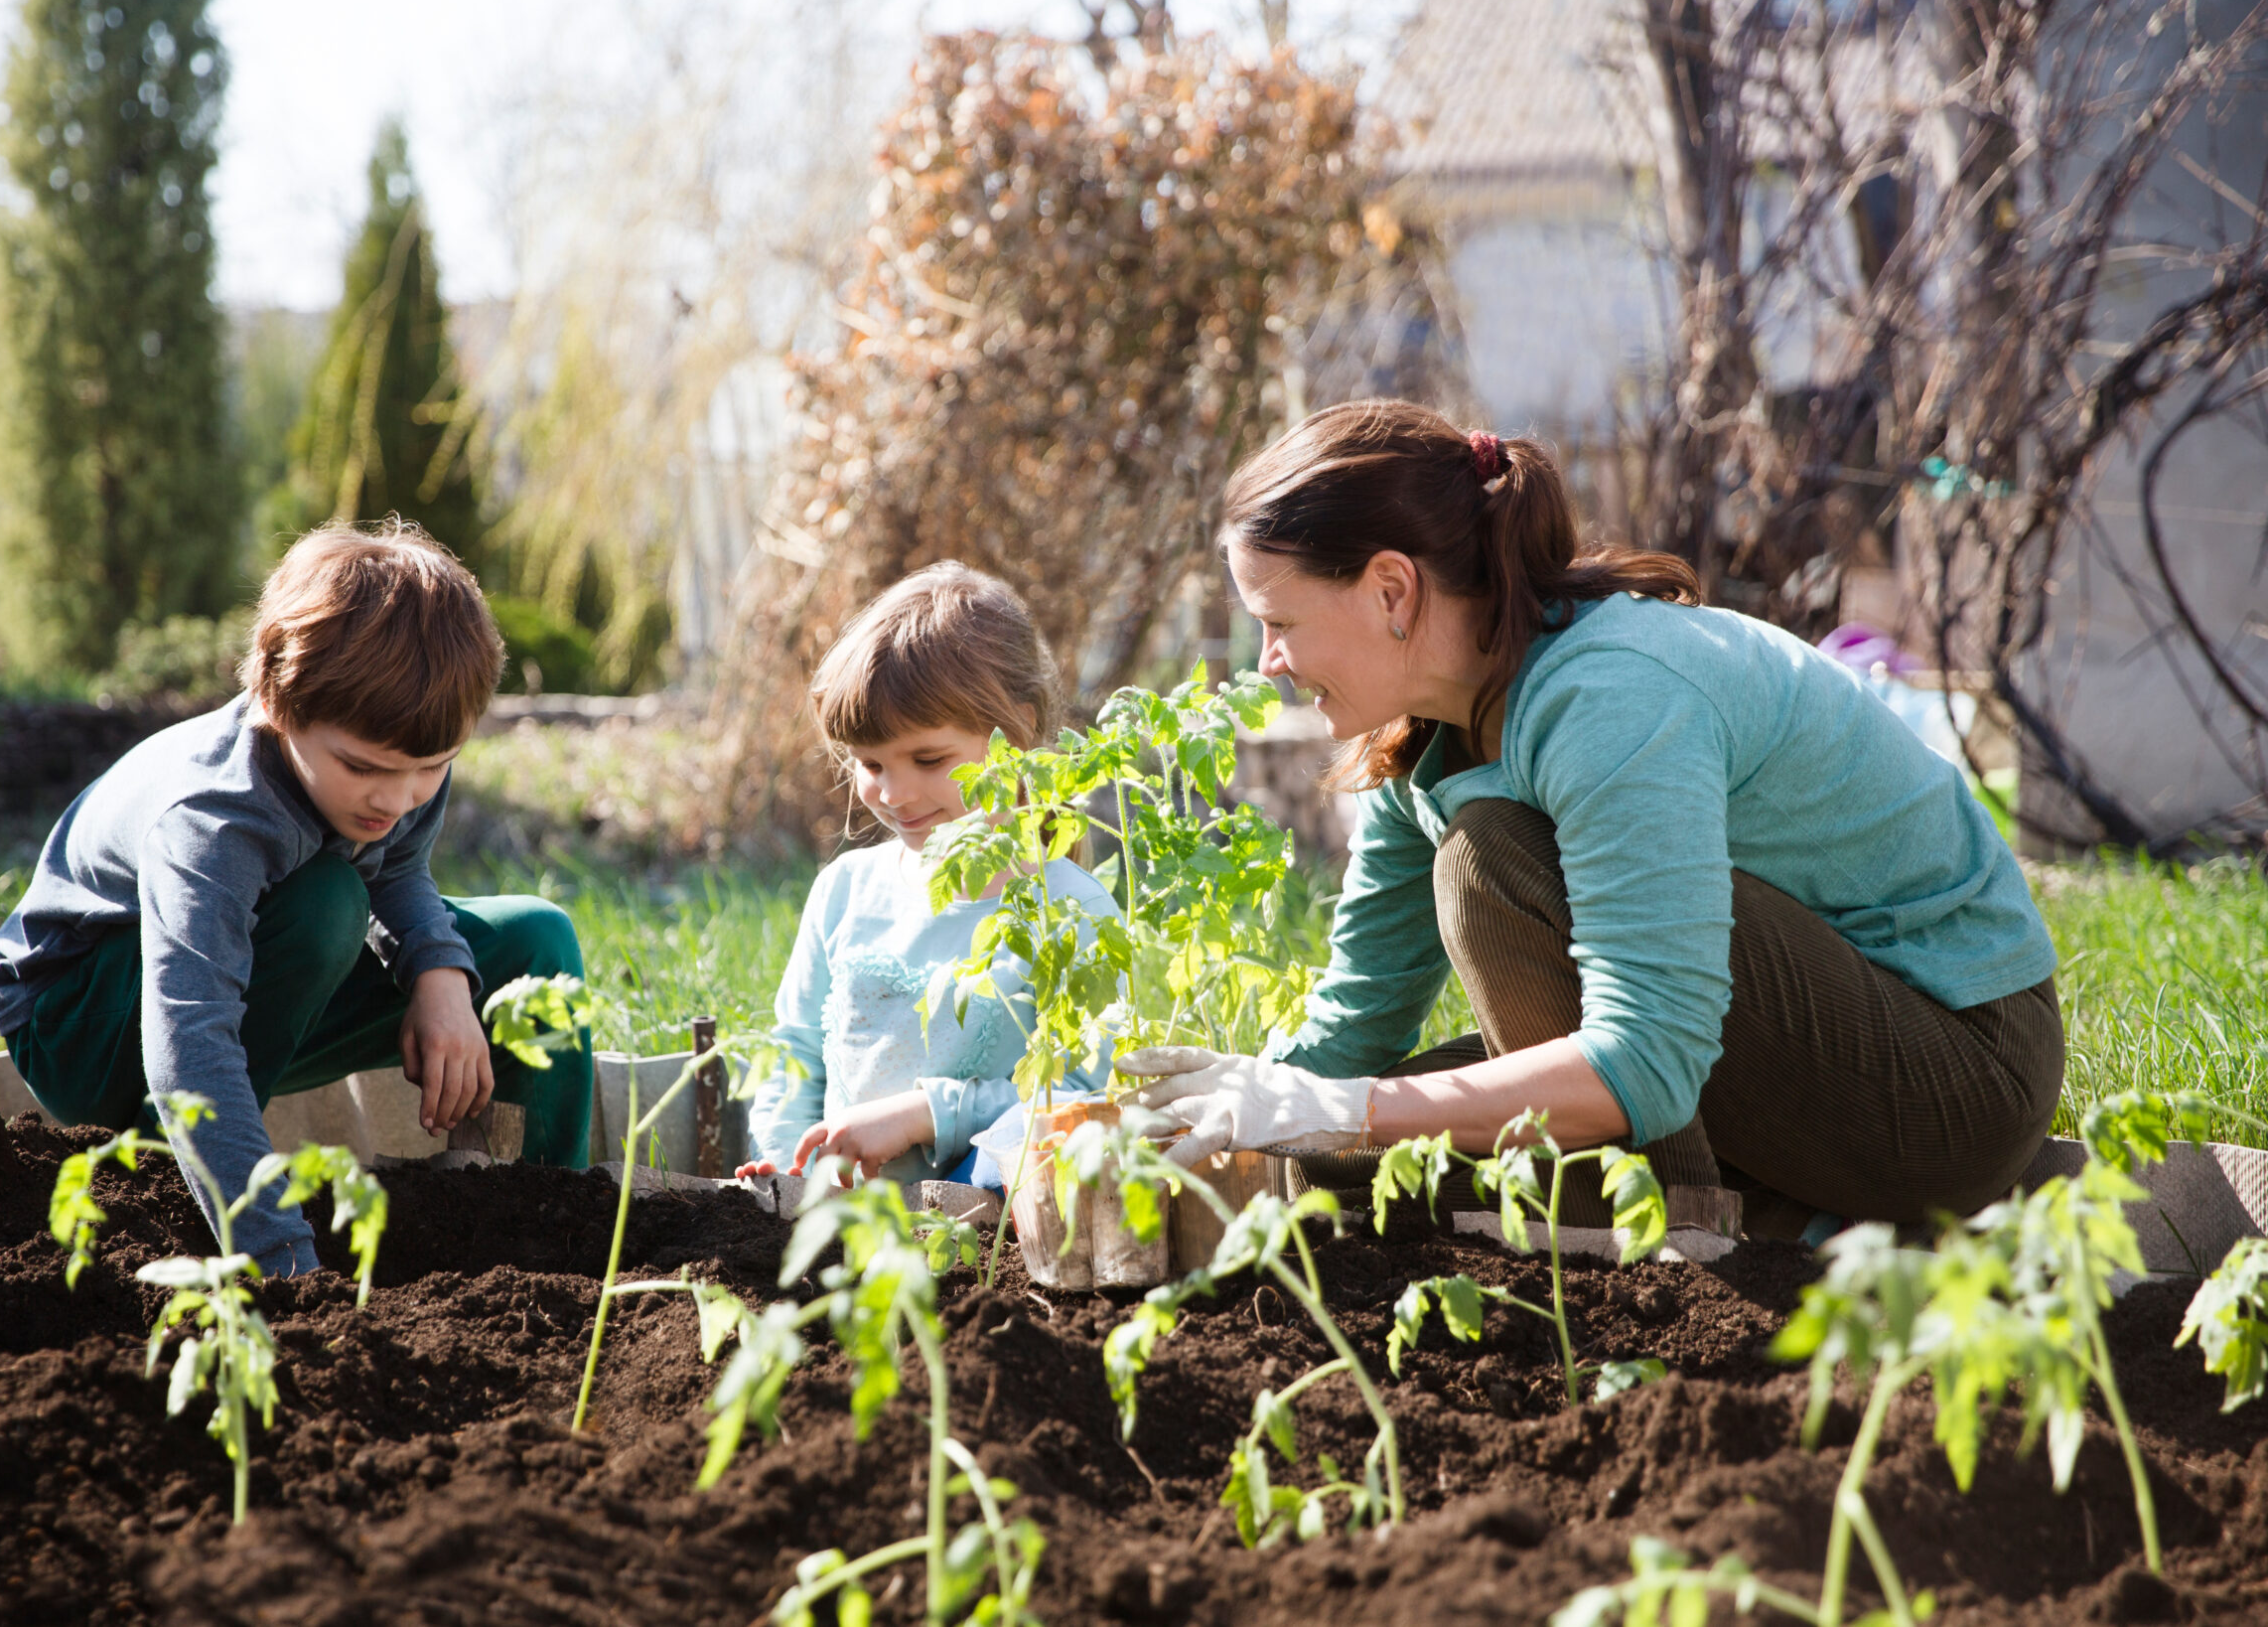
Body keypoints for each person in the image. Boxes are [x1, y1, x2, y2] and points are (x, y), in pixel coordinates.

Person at [1121, 400, 2061, 1238]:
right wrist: (1212, 1113)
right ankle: (1771, 1210)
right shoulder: (1423, 736)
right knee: (1326, 1160)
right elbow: (1350, 1037)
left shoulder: (1610, 697)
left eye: (1278, 620)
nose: (1267, 660)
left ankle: (1678, 1236)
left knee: (1486, 864)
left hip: (1952, 1074)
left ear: (1391, 589)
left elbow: (1646, 1055)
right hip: (1767, 1048)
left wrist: (1349, 1105)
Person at [0, 519, 593, 1275]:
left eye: (430, 769)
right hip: (85, 1019)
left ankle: (557, 1228)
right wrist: (282, 1261)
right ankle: (161, 1174)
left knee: (537, 941)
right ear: (276, 699)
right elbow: (190, 1044)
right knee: (326, 902)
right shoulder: (213, 819)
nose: (397, 798)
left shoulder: (400, 759)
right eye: (364, 768)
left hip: (251, 978)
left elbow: (394, 868)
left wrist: (439, 975)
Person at [738, 561, 1119, 1184]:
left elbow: (1085, 1098)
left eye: (927, 758)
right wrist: (788, 1165)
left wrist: (925, 1114)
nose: (895, 793)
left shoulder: (1069, 910)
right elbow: (795, 1056)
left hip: (985, 1239)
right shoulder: (845, 891)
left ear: (1015, 734)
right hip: (837, 1223)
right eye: (871, 764)